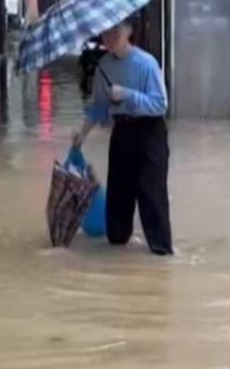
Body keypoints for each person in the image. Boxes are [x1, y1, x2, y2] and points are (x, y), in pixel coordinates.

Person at [72, 19, 173, 256]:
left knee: (151, 194)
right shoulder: (104, 67)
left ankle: (161, 251)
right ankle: (119, 244)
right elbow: (98, 106)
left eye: (115, 32)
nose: (109, 37)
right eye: (105, 33)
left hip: (150, 133)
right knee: (118, 201)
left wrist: (127, 95)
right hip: (122, 133)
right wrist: (82, 134)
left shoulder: (146, 64)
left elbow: (160, 104)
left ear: (128, 32)